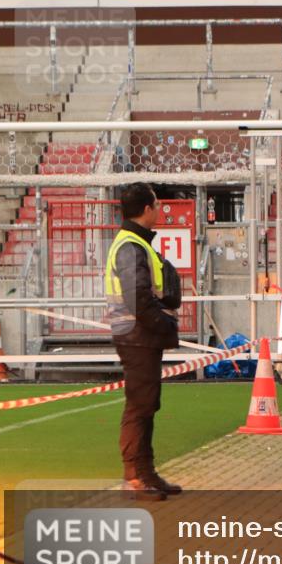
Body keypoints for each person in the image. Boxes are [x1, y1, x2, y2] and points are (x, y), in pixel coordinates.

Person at [105, 183, 183, 501]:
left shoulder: (134, 243)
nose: (160, 210)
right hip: (137, 337)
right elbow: (138, 299)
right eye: (157, 204)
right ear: (147, 209)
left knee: (146, 405)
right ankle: (135, 478)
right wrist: (164, 324)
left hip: (139, 337)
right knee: (140, 407)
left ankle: (145, 473)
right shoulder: (131, 247)